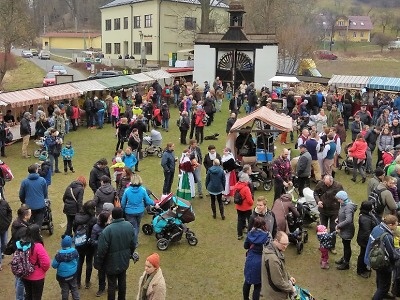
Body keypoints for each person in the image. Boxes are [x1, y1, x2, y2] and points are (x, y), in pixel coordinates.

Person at [97, 207, 136, 300]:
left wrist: (99, 263)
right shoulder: (129, 226)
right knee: (122, 281)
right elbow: (133, 243)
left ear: (112, 216)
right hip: (124, 260)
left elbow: (102, 249)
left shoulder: (107, 230)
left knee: (111, 284)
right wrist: (130, 253)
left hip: (111, 262)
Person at [365, 215, 399, 300]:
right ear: (390, 225)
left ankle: (383, 292)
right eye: (396, 224)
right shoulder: (387, 236)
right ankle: (380, 294)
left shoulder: (377, 227)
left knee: (380, 279)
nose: (397, 226)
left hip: (373, 259)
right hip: (382, 262)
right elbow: (392, 253)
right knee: (384, 285)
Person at [121, 174, 156, 248]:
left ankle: (133, 242)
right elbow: (148, 200)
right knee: (137, 226)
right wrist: (155, 203)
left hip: (129, 212)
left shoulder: (127, 190)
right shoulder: (143, 190)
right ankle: (135, 241)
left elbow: (123, 203)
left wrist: (123, 210)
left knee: (133, 227)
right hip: (140, 211)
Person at [17, 224, 51, 300]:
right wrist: (42, 271)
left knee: (28, 295)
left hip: (25, 275)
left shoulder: (22, 243)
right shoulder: (38, 246)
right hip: (37, 277)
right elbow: (46, 262)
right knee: (36, 297)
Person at [261, 231, 296, 300]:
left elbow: (281, 267)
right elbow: (278, 282)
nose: (286, 247)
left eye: (287, 244)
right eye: (284, 244)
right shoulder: (273, 259)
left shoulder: (275, 249)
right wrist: (291, 288)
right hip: (274, 295)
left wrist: (289, 277)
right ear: (276, 241)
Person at [314, 175, 343, 254]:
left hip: (334, 211)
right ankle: (322, 244)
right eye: (325, 184)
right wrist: (318, 201)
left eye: (328, 184)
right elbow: (315, 193)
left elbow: (342, 196)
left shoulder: (338, 186)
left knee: (333, 228)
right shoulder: (320, 184)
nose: (326, 185)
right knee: (323, 228)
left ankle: (332, 246)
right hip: (323, 210)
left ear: (332, 181)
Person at [243, 217, 270, 300]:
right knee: (258, 285)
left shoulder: (250, 233)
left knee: (247, 281)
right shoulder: (267, 236)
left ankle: (245, 298)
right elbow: (269, 248)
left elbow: (245, 246)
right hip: (260, 261)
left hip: (250, 259)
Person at [73, 200, 97, 289]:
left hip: (79, 243)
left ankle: (78, 282)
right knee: (89, 262)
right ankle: (87, 282)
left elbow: (74, 228)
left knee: (79, 262)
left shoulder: (77, 217)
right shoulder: (93, 219)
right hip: (89, 243)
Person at [11, 205, 31, 300]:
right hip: (21, 255)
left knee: (18, 277)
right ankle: (19, 297)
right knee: (21, 279)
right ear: (25, 216)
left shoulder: (16, 223)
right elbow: (24, 245)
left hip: (16, 252)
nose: (31, 214)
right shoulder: (23, 230)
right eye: (30, 213)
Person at [334, 190, 358, 270]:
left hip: (347, 230)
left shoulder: (348, 207)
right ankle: (344, 258)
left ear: (342, 199)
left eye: (339, 199)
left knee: (347, 246)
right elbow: (343, 214)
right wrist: (338, 219)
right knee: (345, 245)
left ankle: (346, 263)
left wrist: (339, 225)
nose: (338, 200)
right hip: (345, 229)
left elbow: (348, 220)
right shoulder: (344, 204)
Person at [52, 235, 80, 300]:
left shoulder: (59, 254)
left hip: (62, 277)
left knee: (65, 290)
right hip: (73, 274)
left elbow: (54, 265)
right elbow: (77, 260)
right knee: (74, 288)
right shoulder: (75, 251)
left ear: (62, 243)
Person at [356, 201, 378, 278]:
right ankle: (360, 270)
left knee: (365, 253)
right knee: (363, 254)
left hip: (364, 239)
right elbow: (366, 232)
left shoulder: (366, 215)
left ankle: (364, 267)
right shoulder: (365, 219)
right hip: (365, 240)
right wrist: (369, 242)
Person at [92, 211, 111, 297]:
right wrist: (102, 243)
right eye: (109, 218)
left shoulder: (110, 226)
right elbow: (92, 241)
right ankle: (101, 288)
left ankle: (112, 286)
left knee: (111, 270)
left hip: (110, 252)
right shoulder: (96, 227)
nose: (111, 219)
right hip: (100, 253)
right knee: (101, 272)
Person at [234, 173, 254, 240]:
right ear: (245, 180)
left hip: (238, 206)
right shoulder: (246, 188)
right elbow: (249, 200)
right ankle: (250, 234)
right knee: (250, 221)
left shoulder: (236, 185)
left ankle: (239, 234)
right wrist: (252, 203)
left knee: (240, 220)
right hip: (246, 208)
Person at [0, 196, 12, 268]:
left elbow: (9, 212)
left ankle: (2, 253)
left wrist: (8, 222)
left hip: (4, 228)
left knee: (4, 243)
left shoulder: (4, 203)